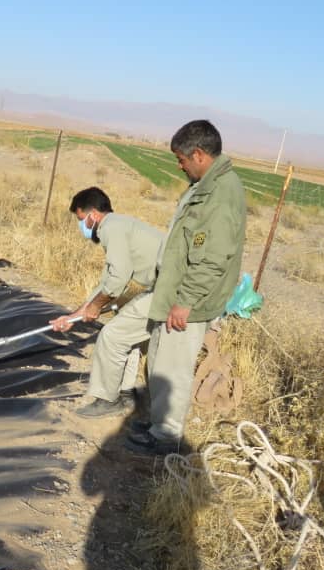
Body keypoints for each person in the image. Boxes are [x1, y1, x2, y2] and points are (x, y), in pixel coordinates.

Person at [75, 120, 245, 451]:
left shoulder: (222, 194)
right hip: (168, 291)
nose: (179, 166)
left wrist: (186, 301)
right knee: (141, 346)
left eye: (181, 160)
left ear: (198, 154)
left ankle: (166, 437)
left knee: (173, 365)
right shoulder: (206, 186)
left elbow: (213, 258)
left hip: (186, 299)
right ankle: (139, 414)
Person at [50, 186, 164, 418]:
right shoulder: (117, 225)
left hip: (170, 289)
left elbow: (118, 281)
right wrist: (72, 317)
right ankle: (125, 393)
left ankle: (108, 400)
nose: (81, 226)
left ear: (93, 215)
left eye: (81, 220)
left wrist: (94, 307)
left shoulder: (111, 228)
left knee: (111, 336)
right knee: (126, 333)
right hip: (162, 287)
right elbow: (105, 284)